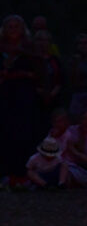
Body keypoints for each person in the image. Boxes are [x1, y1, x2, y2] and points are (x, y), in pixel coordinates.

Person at [0, 14, 42, 185]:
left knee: (23, 131)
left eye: (16, 26)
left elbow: (39, 70)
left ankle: (23, 173)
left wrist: (25, 74)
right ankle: (5, 172)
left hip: (24, 94)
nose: (13, 30)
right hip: (4, 93)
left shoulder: (29, 48)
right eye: (9, 27)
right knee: (5, 131)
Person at [66, 33, 87, 121]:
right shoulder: (73, 60)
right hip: (76, 97)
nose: (83, 46)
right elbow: (73, 82)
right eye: (81, 43)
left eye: (86, 43)